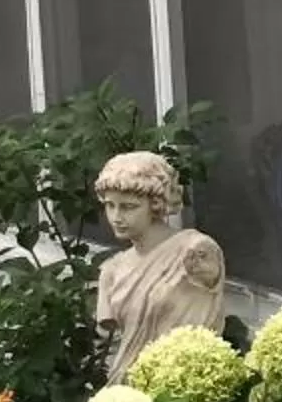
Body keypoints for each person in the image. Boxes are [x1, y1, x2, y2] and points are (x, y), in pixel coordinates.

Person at [92, 151, 227, 381]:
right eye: (109, 205)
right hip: (126, 385)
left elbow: (199, 335)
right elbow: (109, 341)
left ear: (155, 204)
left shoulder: (194, 252)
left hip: (181, 384)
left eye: (128, 206)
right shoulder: (112, 270)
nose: (116, 216)